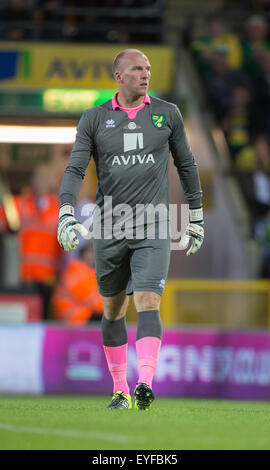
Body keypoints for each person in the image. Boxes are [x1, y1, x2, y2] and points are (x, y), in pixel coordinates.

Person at [57, 49, 204, 410]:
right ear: (118, 76)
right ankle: (120, 389)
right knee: (113, 309)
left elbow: (186, 164)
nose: (145, 74)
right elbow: (75, 169)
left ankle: (145, 384)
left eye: (148, 68)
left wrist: (196, 216)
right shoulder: (94, 118)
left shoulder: (167, 114)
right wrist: (65, 212)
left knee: (149, 300)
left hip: (154, 222)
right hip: (109, 224)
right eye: (137, 69)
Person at [0, 168, 63, 319]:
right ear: (31, 183)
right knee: (27, 314)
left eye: (43, 180)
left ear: (49, 183)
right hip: (24, 273)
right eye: (37, 179)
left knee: (46, 314)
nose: (40, 184)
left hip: (49, 274)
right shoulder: (18, 203)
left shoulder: (58, 207)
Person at [52, 243, 103, 325]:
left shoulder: (90, 272)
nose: (93, 255)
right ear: (82, 254)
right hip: (74, 316)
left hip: (83, 313)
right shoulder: (76, 271)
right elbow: (92, 300)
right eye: (91, 252)